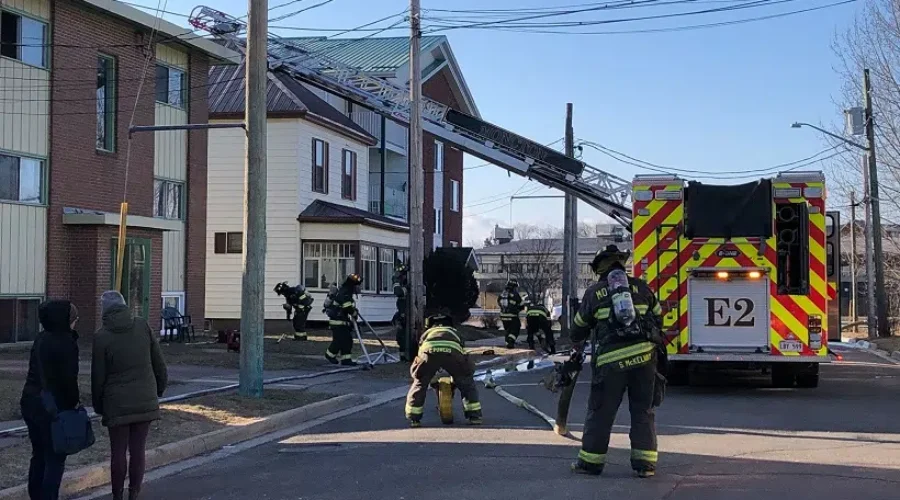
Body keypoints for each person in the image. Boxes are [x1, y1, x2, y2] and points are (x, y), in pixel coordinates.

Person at [569, 244, 665, 479]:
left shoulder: (594, 292)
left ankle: (591, 463)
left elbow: (578, 329)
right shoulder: (642, 288)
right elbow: (658, 317)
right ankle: (645, 465)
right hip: (645, 360)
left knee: (601, 411)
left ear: (599, 267)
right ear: (621, 264)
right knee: (643, 410)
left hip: (611, 364)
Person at [92, 291, 168, 500]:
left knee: (118, 451)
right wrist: (158, 389)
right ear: (125, 306)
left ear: (104, 311)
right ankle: (134, 493)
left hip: (116, 402)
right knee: (138, 450)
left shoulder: (101, 337)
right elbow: (158, 363)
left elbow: (98, 376)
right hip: (145, 396)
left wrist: (99, 405)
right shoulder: (142, 326)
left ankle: (117, 495)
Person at [20, 300, 81, 500]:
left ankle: (35, 495)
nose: (75, 323)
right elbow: (68, 380)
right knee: (55, 459)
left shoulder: (41, 338)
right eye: (74, 320)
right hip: (53, 406)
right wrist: (73, 403)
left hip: (30, 401)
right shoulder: (65, 343)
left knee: (38, 455)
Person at [404, 313, 482, 427]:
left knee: (420, 382)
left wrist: (422, 374)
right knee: (466, 381)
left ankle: (414, 418)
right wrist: (461, 374)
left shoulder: (426, 333)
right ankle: (474, 417)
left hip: (429, 352)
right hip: (453, 353)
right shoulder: (454, 332)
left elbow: (420, 352)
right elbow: (462, 352)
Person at [324, 274, 362, 366]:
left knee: (347, 340)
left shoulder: (345, 290)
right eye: (357, 286)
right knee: (339, 340)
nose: (358, 288)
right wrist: (353, 313)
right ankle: (329, 355)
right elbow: (346, 305)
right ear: (353, 284)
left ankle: (346, 360)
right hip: (338, 321)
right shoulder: (345, 291)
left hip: (342, 321)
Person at [498, 279, 525, 348]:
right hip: (512, 316)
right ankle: (510, 341)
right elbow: (522, 305)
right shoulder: (515, 294)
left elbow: (499, 302)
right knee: (515, 329)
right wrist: (517, 308)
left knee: (508, 330)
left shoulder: (502, 293)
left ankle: (508, 343)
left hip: (503, 316)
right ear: (514, 287)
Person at [392, 265, 409, 361]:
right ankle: (403, 356)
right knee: (401, 336)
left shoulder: (408, 285)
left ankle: (406, 355)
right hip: (403, 313)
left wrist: (396, 282)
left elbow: (399, 292)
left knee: (403, 336)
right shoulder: (403, 285)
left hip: (408, 314)